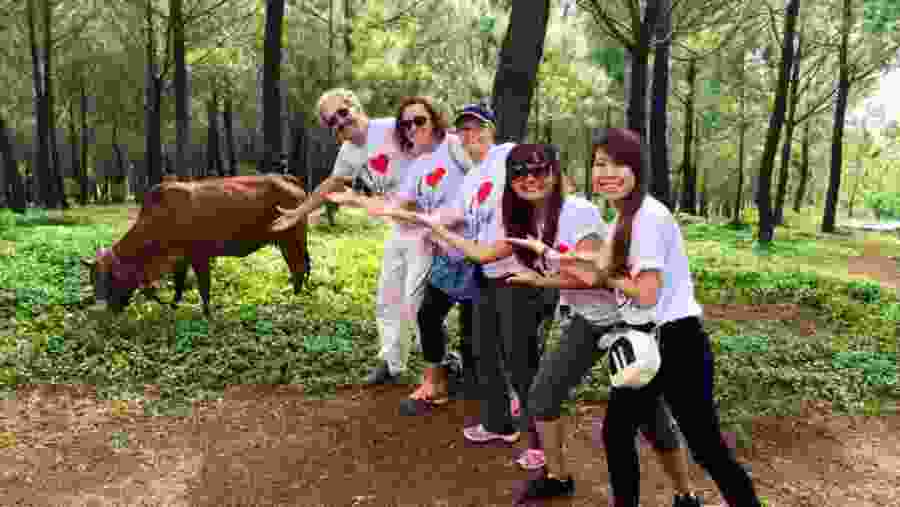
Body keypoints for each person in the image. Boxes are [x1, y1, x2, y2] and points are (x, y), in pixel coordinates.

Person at [495, 146, 703, 505]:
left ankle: (686, 494)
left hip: (626, 320)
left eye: (538, 170)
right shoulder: (527, 219)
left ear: (556, 173)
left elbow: (595, 278)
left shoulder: (577, 211)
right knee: (543, 397)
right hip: (588, 321)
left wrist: (539, 280)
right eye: (518, 172)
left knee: (650, 418)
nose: (528, 178)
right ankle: (558, 478)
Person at [575, 128, 763, 507]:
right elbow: (605, 269)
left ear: (637, 169)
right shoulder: (623, 219)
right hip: (645, 341)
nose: (606, 173)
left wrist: (603, 275)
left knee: (706, 446)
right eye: (599, 164)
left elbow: (645, 292)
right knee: (617, 433)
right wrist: (561, 260)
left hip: (676, 342)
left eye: (618, 164)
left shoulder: (648, 217)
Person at [273, 89, 421, 384]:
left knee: (418, 300)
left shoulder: (393, 128)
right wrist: (299, 212)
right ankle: (391, 364)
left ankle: (445, 362)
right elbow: (330, 184)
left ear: (356, 105)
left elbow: (436, 145)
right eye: (332, 121)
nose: (340, 122)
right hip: (399, 227)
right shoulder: (349, 153)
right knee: (387, 298)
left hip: (430, 224)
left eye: (343, 112)